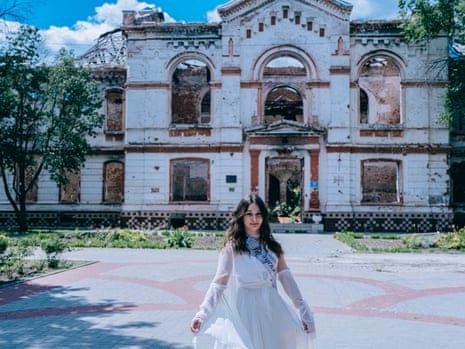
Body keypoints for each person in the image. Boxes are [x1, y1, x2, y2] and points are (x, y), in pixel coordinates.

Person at [190, 193, 316, 349]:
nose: (254, 219)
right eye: (249, 214)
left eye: (258, 214)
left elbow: (286, 278)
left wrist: (303, 310)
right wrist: (202, 314)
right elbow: (219, 283)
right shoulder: (233, 247)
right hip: (246, 307)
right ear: (241, 217)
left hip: (271, 304)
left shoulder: (272, 246)